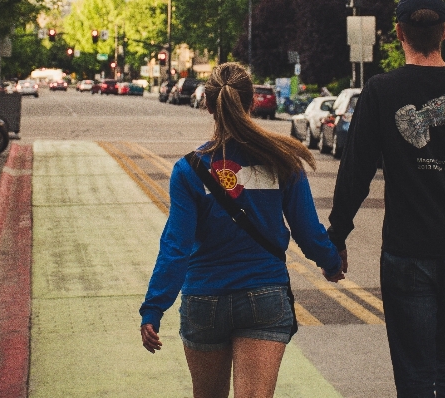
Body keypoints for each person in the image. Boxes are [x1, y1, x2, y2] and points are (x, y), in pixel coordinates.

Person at [328, 0, 445, 397]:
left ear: (399, 33)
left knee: (414, 369)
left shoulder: (380, 91)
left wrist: (336, 237)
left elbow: (355, 173)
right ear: (444, 32)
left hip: (407, 251)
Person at [140, 62, 344, 398]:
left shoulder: (189, 169)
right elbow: (308, 231)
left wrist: (154, 307)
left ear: (207, 105)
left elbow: (175, 246)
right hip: (265, 296)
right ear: (250, 103)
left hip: (204, 298)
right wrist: (331, 263)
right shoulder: (281, 161)